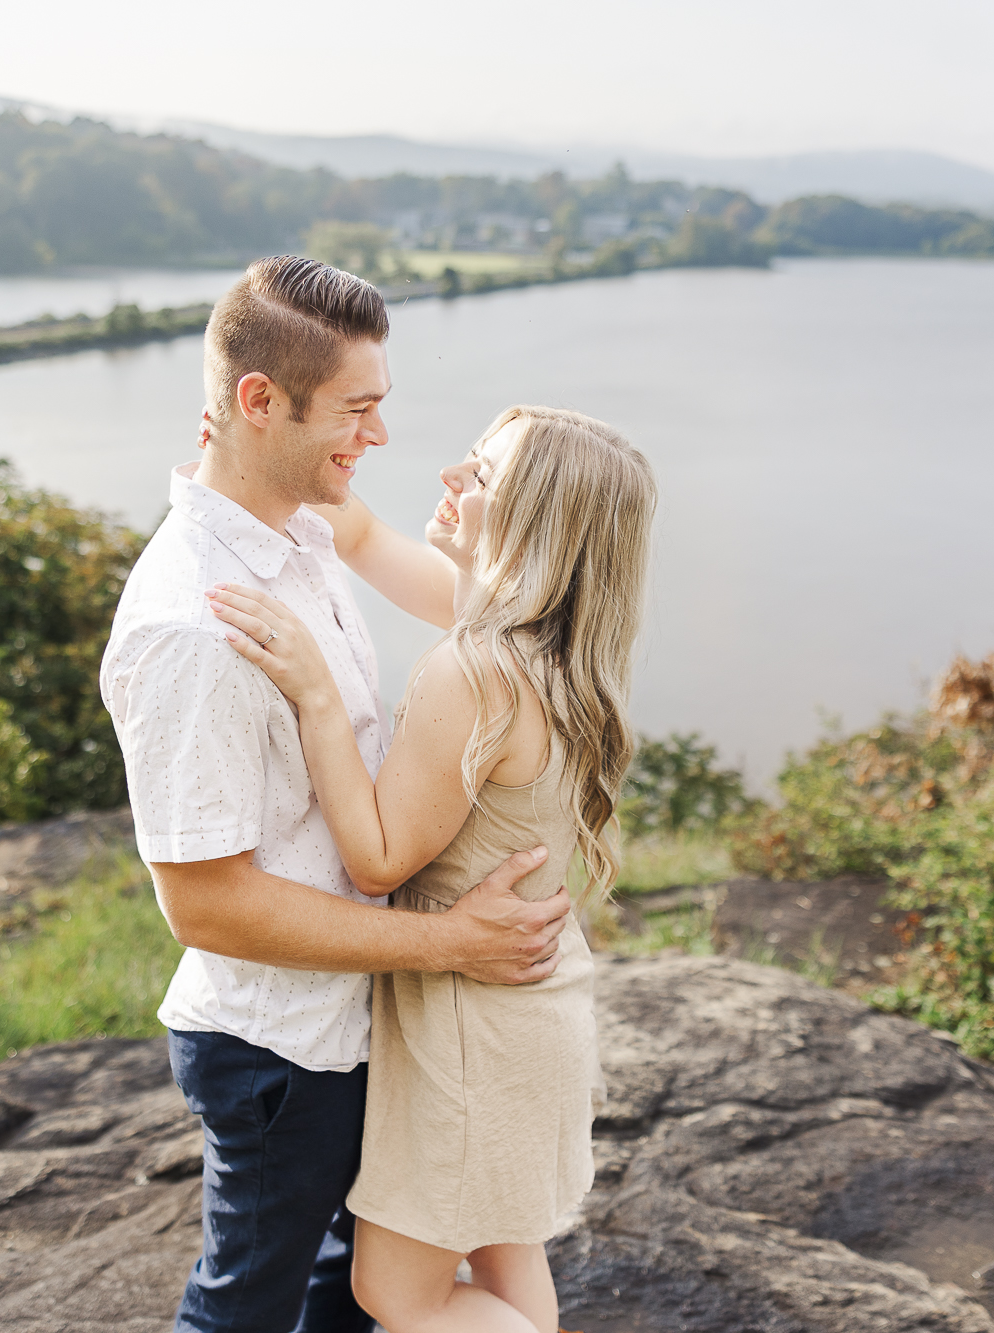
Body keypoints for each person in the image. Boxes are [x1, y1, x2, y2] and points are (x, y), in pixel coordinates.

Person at [98, 255, 572, 1333]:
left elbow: (475, 605)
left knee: (350, 1302)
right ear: (259, 401)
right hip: (283, 1050)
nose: (379, 435)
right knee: (245, 1308)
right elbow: (204, 905)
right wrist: (453, 943)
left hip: (362, 1020)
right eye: (356, 410)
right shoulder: (193, 627)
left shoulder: (305, 521)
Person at [205, 405, 657, 1333]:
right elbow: (363, 533)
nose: (451, 475)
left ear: (535, 523)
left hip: (469, 1033)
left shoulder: (475, 671)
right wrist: (249, 448)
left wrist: (318, 695)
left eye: (482, 475)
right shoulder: (549, 644)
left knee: (395, 1292)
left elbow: (377, 859)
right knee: (505, 1253)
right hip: (529, 1014)